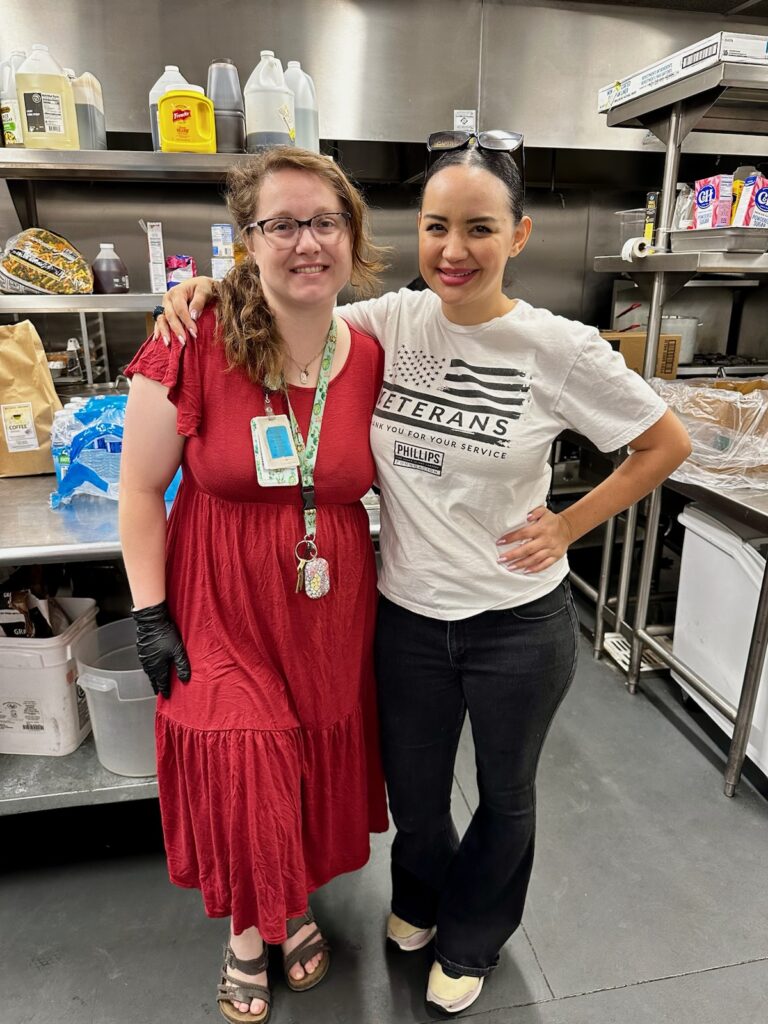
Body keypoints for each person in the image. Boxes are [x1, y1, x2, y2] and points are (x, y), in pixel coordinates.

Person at [156, 130, 691, 1016]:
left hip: (517, 623)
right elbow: (294, 302)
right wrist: (211, 287)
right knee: (414, 792)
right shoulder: (387, 324)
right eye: (437, 226)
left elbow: (660, 443)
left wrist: (567, 524)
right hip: (402, 616)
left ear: (518, 237)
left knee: (506, 793)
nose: (453, 250)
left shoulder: (557, 348)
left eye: (480, 229)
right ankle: (418, 900)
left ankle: (474, 938)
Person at [119, 148, 390, 1024]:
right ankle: (248, 926)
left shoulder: (372, 351)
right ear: (248, 240)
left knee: (307, 747)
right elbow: (137, 489)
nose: (306, 243)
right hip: (218, 591)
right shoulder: (191, 336)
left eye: (325, 222)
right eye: (282, 224)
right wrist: (150, 613)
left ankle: (294, 896)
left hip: (329, 599)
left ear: (350, 235)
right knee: (244, 745)